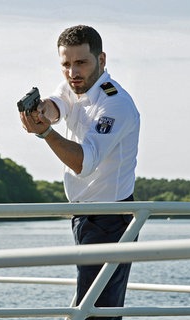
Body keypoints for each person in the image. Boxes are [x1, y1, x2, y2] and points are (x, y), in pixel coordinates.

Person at [19, 25, 140, 319]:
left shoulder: (115, 103)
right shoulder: (74, 86)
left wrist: (45, 132)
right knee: (93, 306)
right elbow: (58, 104)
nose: (73, 71)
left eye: (81, 62)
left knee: (96, 311)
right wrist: (41, 112)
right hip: (85, 215)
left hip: (110, 219)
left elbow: (84, 163)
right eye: (66, 64)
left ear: (102, 59)